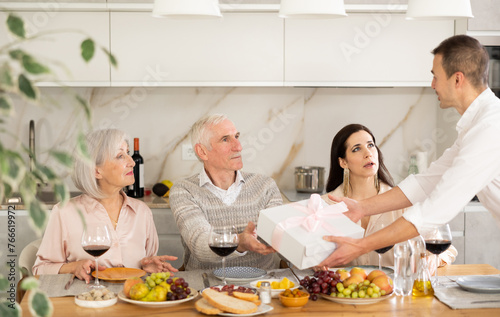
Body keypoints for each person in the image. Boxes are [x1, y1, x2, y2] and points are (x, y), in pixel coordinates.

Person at [319, 34, 500, 268]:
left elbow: (435, 209)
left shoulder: (489, 129)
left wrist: (361, 245)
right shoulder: (477, 126)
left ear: (457, 79)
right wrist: (362, 208)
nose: (432, 84)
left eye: (435, 76)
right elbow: (426, 182)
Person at [33, 129, 178, 282]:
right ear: (96, 171)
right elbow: (40, 269)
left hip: (132, 299)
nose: (132, 162)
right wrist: (74, 267)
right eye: (120, 156)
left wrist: (147, 266)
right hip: (84, 301)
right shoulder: (65, 213)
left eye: (128, 153)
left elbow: (147, 263)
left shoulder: (142, 212)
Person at [321, 123, 456, 271]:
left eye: (371, 145)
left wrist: (434, 259)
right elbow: (305, 258)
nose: (368, 153)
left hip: (394, 291)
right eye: (357, 149)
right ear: (343, 162)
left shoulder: (403, 202)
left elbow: (448, 251)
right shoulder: (324, 206)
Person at [169, 114, 283, 271]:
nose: (238, 146)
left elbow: (283, 236)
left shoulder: (265, 186)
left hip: (261, 286)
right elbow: (200, 244)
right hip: (206, 286)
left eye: (236, 136)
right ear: (202, 151)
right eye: (225, 139)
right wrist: (239, 242)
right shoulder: (184, 191)